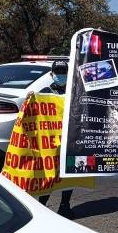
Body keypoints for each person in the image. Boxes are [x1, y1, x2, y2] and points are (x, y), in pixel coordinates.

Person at [29, 60, 76, 217]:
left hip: (69, 140)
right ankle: (42, 206)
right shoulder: (45, 92)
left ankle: (65, 205)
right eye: (58, 72)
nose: (60, 75)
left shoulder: (74, 92)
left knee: (68, 174)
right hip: (51, 143)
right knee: (49, 173)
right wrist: (32, 99)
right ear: (51, 74)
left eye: (63, 72)